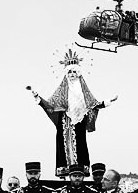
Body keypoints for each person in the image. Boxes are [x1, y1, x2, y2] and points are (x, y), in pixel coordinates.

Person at [29, 49, 117, 177]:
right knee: (64, 147)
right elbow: (50, 106)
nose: (72, 74)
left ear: (78, 73)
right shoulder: (61, 91)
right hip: (65, 121)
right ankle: (64, 173)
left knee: (80, 145)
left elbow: (94, 104)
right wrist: (38, 98)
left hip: (80, 121)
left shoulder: (83, 91)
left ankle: (80, 172)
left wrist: (108, 101)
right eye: (69, 72)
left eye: (74, 71)